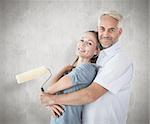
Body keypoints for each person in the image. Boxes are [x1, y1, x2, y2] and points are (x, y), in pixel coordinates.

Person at [40, 10, 133, 124]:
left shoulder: (120, 59)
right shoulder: (100, 59)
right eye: (102, 28)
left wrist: (50, 99)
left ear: (119, 32)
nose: (105, 34)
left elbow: (90, 94)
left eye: (111, 30)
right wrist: (49, 100)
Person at [41, 31, 102, 124]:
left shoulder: (88, 69)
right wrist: (63, 70)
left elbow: (49, 91)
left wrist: (48, 100)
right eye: (82, 40)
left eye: (89, 43)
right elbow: (48, 94)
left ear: (96, 51)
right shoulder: (71, 71)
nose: (83, 44)